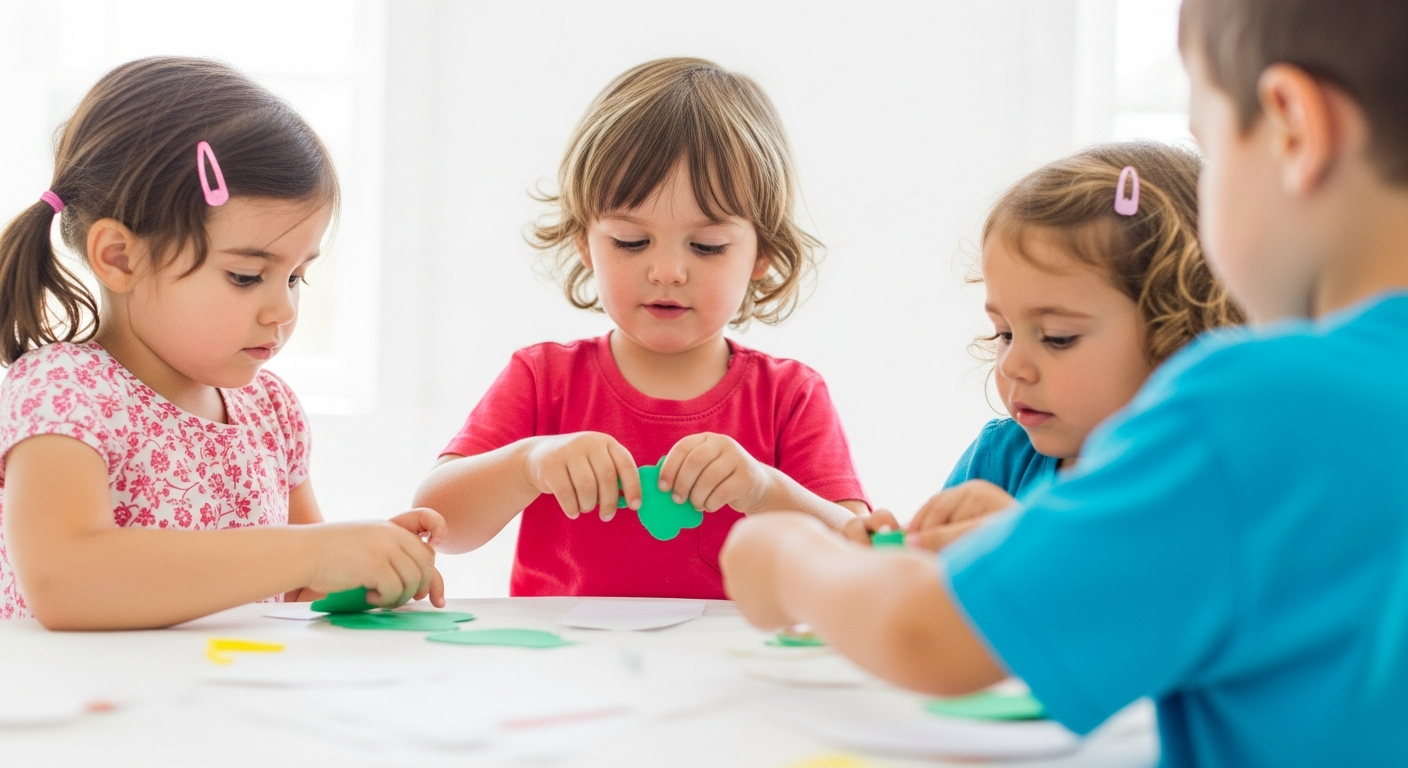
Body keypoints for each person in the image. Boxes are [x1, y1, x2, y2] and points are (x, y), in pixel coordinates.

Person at [721, 0, 1408, 763]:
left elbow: (930, 636)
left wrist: (788, 559)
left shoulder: (1254, 408)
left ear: (1293, 130)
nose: (1017, 362)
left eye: (1212, 145)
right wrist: (1025, 543)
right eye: (1004, 332)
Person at [0, 57, 444, 630]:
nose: (283, 310)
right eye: (245, 276)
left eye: (296, 277)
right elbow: (66, 582)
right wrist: (314, 551)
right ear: (119, 257)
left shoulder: (272, 412)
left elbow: (303, 585)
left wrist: (370, 562)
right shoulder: (65, 391)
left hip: (219, 708)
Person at [414, 58, 867, 598]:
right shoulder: (543, 378)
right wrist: (528, 463)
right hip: (567, 669)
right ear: (585, 241)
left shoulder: (789, 396)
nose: (668, 271)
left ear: (763, 252)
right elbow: (433, 523)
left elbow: (860, 556)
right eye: (631, 241)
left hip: (730, 674)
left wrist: (765, 490)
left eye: (707, 247)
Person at [846, 141, 1242, 550]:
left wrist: (1029, 549)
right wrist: (888, 560)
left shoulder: (1207, 484)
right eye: (1005, 333)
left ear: (1181, 337)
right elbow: (932, 598)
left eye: (1057, 338)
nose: (1012, 366)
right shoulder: (1000, 457)